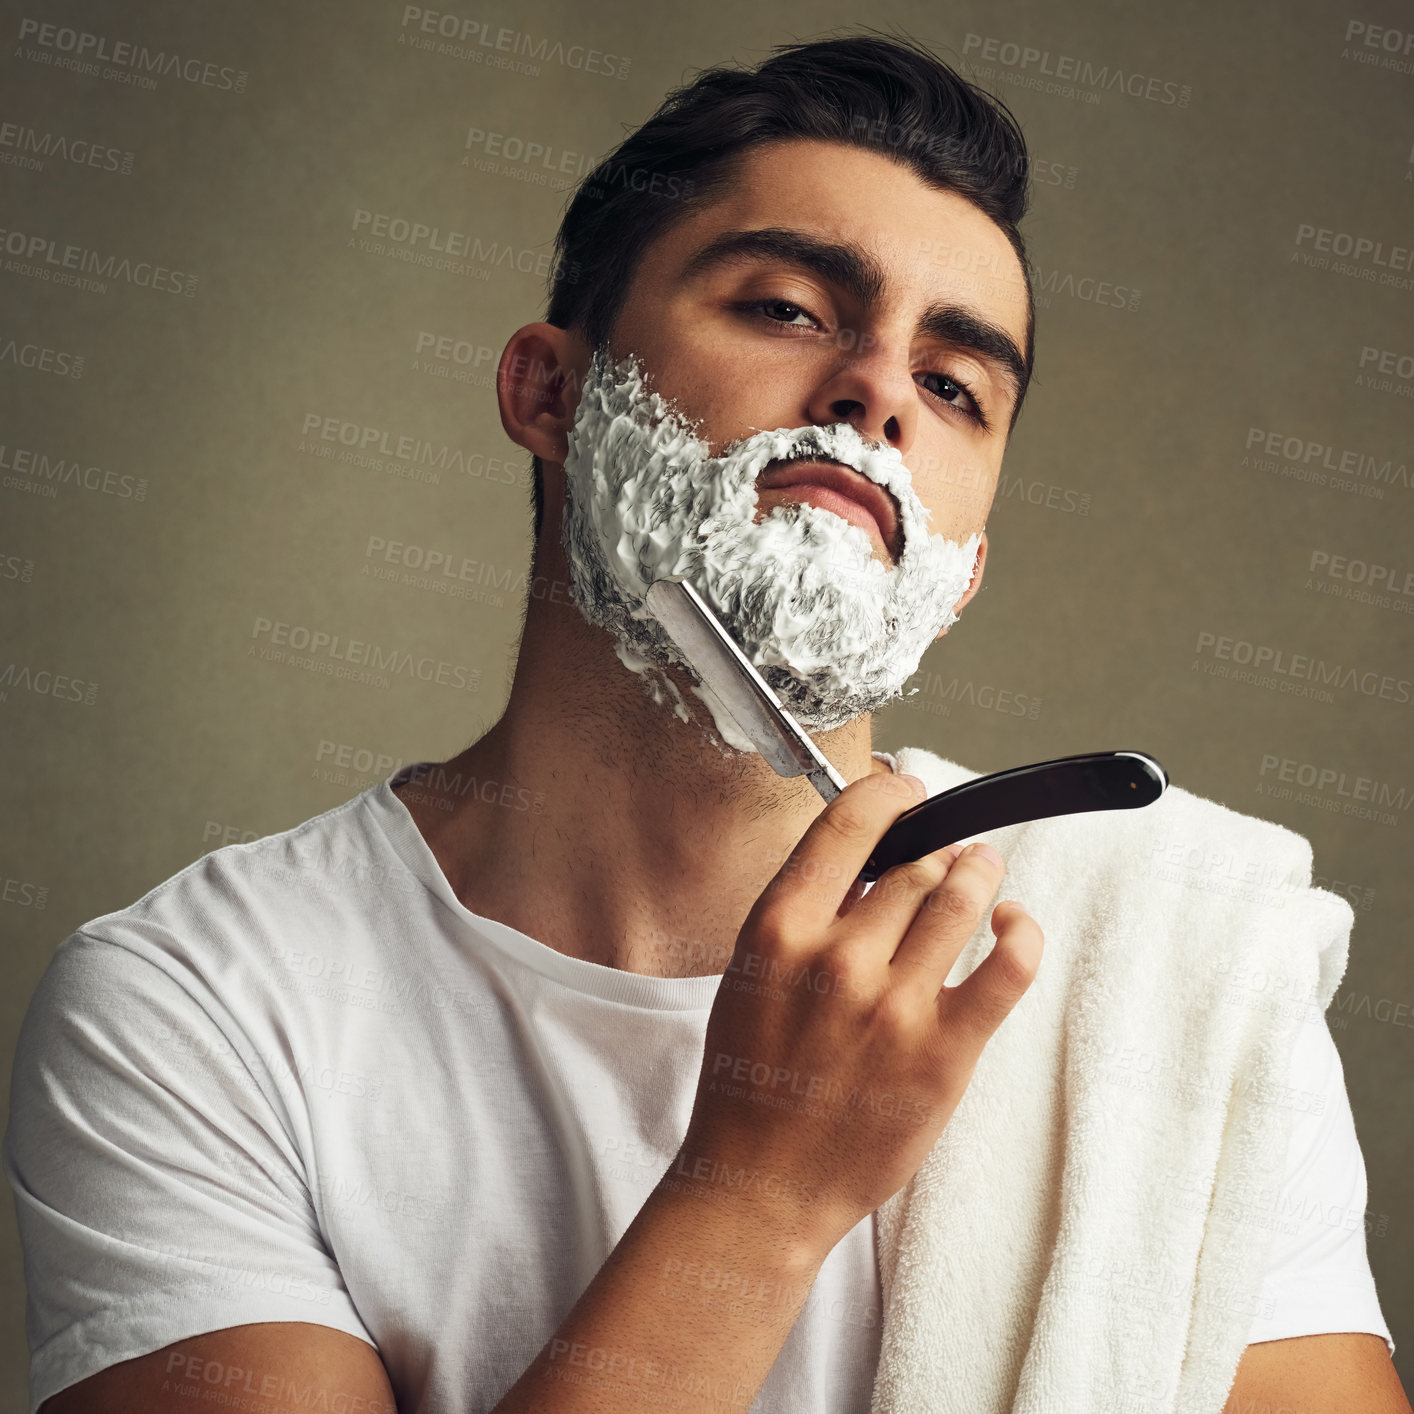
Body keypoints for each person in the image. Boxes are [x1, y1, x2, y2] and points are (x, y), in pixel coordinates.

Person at [6, 32, 1406, 1414]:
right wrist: (757, 1196)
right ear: (549, 391)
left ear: (963, 568)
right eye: (791, 308)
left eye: (953, 385)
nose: (876, 392)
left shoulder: (1174, 972)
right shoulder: (190, 1008)